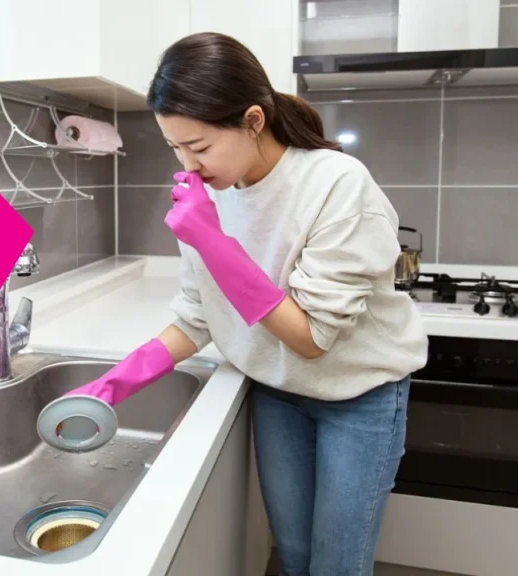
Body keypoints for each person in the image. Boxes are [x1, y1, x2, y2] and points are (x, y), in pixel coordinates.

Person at [64, 32, 429, 575]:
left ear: (253, 120)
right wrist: (113, 385)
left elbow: (310, 338)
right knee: (295, 555)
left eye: (201, 147)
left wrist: (215, 243)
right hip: (279, 392)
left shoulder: (336, 186)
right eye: (176, 148)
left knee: (336, 567)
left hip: (360, 396)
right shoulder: (209, 193)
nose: (189, 165)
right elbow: (196, 316)